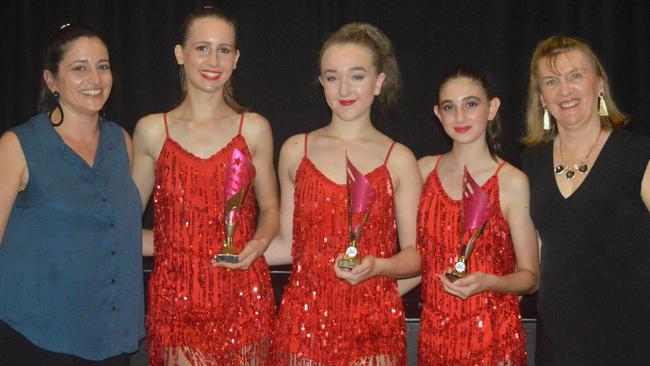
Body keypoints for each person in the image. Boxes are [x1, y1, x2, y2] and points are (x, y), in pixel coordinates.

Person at [265, 22, 421, 365]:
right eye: (332, 77)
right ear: (322, 82)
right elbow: (287, 245)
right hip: (303, 325)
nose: (344, 88)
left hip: (374, 327)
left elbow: (418, 256)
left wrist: (378, 267)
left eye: (357, 75)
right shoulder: (296, 149)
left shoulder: (400, 159)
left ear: (379, 82)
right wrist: (227, 251)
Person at [131, 6, 279, 366]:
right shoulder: (152, 131)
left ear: (236, 58)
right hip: (176, 302)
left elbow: (272, 209)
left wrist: (258, 243)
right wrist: (176, 244)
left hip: (243, 296)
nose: (213, 59)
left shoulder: (254, 128)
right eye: (202, 48)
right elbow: (125, 221)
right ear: (180, 54)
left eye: (224, 49)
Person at [0, 24, 144, 365]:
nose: (95, 78)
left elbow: (116, 232)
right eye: (79, 68)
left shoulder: (121, 142)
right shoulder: (17, 146)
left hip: (112, 338)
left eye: (103, 66)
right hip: (38, 339)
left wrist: (197, 245)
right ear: (52, 81)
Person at [521, 36, 650, 365]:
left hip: (632, 339)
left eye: (575, 75)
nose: (564, 90)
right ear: (541, 97)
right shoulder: (531, 163)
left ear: (600, 85)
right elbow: (532, 258)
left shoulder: (637, 154)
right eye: (551, 81)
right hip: (560, 341)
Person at [413, 65, 539, 365]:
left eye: (470, 104)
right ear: (437, 113)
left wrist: (487, 282)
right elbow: (420, 262)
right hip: (435, 339)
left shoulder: (511, 181)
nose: (459, 117)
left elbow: (530, 278)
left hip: (494, 339)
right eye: (449, 107)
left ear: (492, 108)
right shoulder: (422, 172)